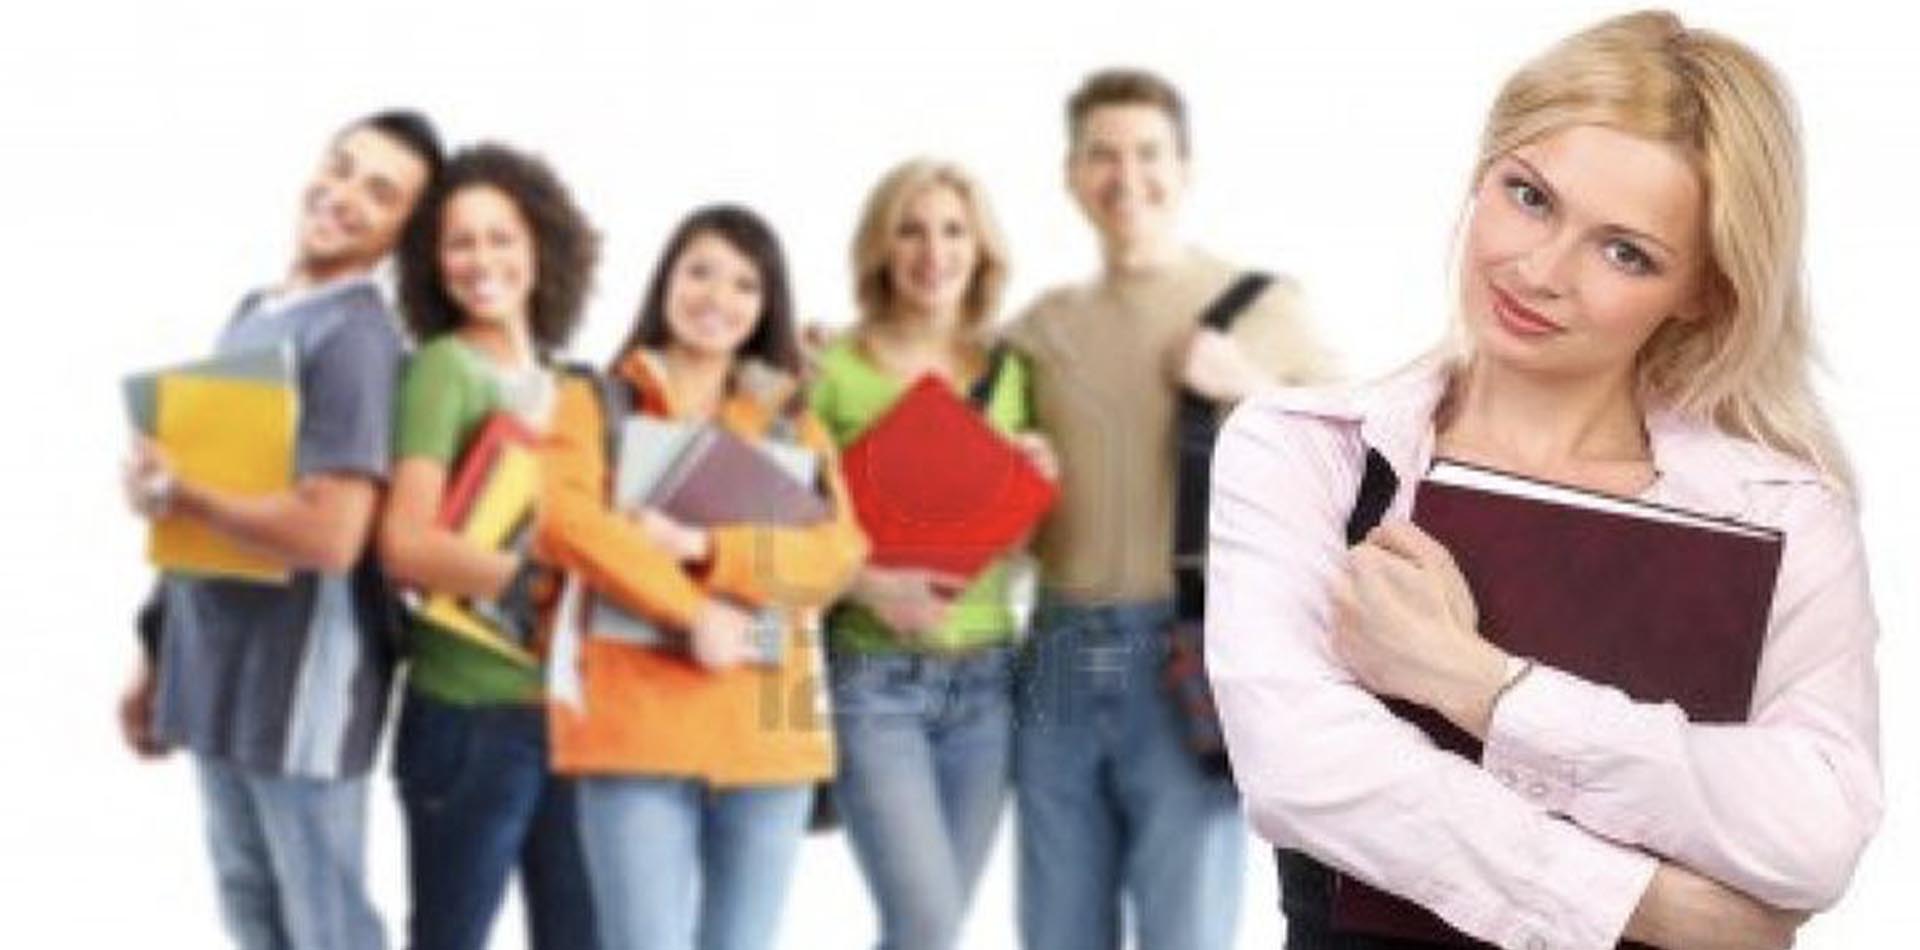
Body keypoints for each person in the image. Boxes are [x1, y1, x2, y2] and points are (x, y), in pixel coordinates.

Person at [1207, 11, 1882, 950]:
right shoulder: (1304, 453)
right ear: (1482, 173)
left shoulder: (1782, 517)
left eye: (1624, 252)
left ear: (1704, 290)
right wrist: (1655, 906)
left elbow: (1814, 830)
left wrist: (1482, 685)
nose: (1539, 270)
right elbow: (1302, 769)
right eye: (1528, 196)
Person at [1004, 68, 1333, 950]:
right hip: (1057, 649)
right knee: (1055, 932)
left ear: (1185, 168)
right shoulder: (1038, 329)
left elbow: (1366, 470)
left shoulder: (1260, 307)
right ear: (1073, 175)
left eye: (1149, 152)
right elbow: (991, 516)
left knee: (1185, 930)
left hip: (1187, 650)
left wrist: (1247, 386)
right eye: (1101, 154)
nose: (1127, 175)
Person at [117, 110, 442, 950]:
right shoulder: (258, 310)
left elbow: (333, 534)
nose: (343, 197)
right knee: (251, 910)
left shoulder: (357, 339)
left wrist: (182, 493)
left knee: (325, 925)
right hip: (217, 673)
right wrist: (154, 651)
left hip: (301, 691)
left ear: (404, 232)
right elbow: (200, 508)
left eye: (380, 193)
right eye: (340, 168)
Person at [538, 204, 870, 950]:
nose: (717, 297)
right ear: (665, 281)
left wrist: (706, 546)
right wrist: (693, 615)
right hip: (635, 729)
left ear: (765, 307)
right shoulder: (594, 403)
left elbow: (838, 554)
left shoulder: (790, 424)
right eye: (700, 272)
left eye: (744, 284)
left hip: (766, 738)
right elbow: (567, 523)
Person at [811, 158, 1056, 950]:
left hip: (987, 681)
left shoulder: (1008, 373)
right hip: (873, 682)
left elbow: (1013, 549)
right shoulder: (833, 370)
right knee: (926, 923)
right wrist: (872, 585)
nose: (932, 251)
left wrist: (1036, 485)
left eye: (953, 230)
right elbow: (787, 533)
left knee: (933, 931)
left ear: (980, 249)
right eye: (910, 230)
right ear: (881, 247)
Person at [382, 143, 600, 950]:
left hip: (568, 716)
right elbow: (403, 545)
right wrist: (543, 583)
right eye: (460, 242)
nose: (482, 261)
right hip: (468, 719)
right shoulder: (446, 369)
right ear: (432, 264)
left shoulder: (573, 386)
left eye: (500, 237)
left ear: (541, 245)